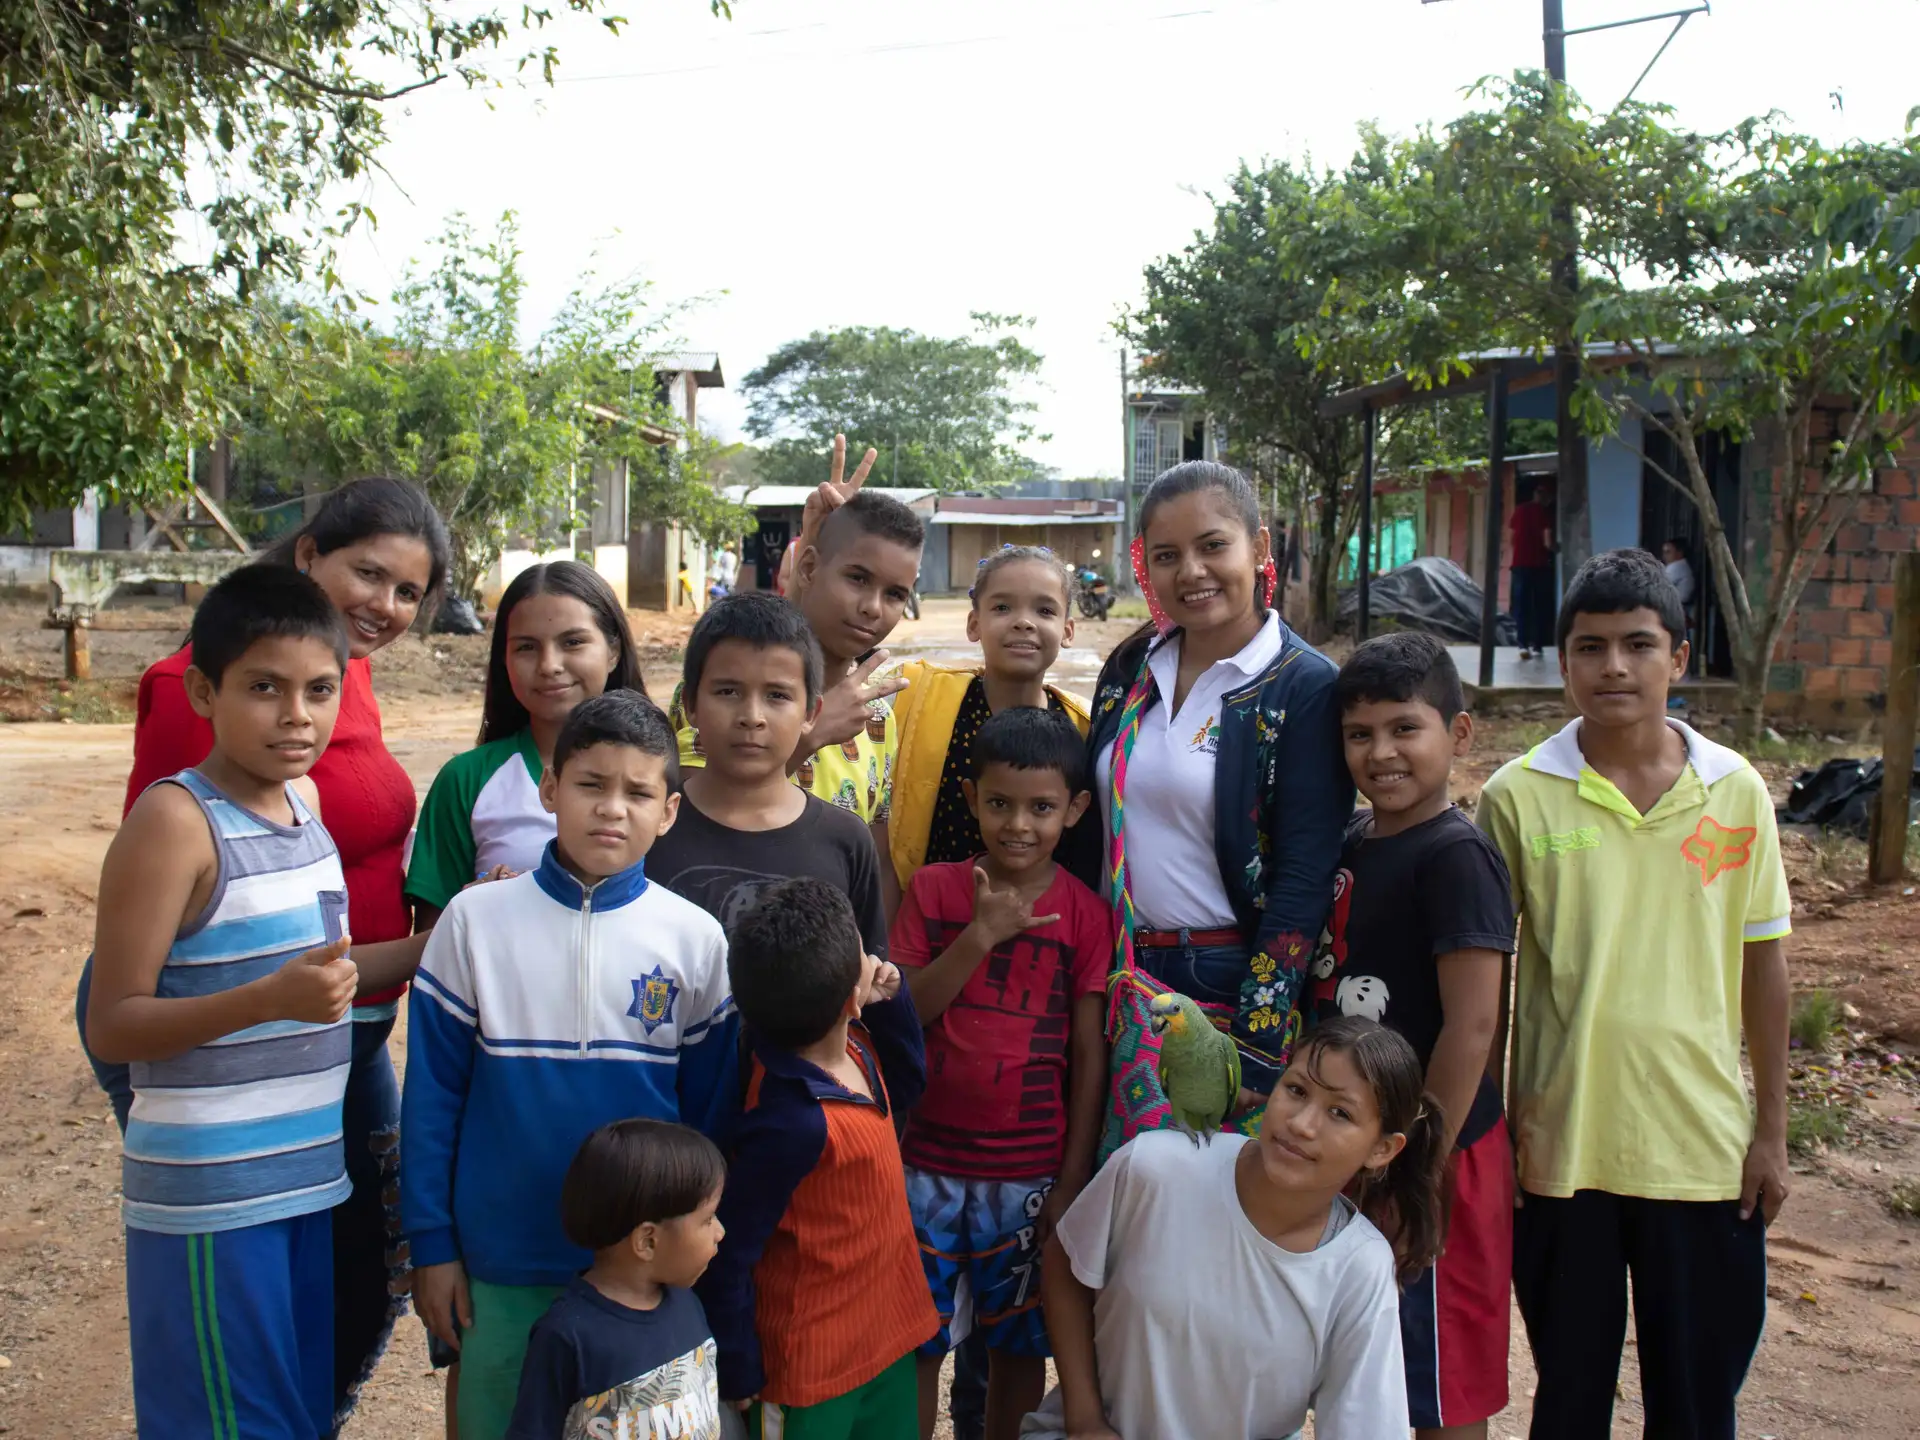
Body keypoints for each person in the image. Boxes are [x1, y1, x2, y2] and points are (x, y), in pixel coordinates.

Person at [74, 475, 450, 1428]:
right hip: (218, 1189)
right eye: (264, 689)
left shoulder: (303, 806)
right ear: (206, 691)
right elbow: (118, 1017)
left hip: (300, 1175)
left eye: (319, 691)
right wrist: (266, 1000)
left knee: (286, 1403)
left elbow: (329, 967)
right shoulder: (179, 814)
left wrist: (453, 935)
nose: (296, 715)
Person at [1475, 549, 1792, 1440]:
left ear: (1678, 658)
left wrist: (1771, 1134)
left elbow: (1765, 966)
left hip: (1702, 1152)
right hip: (1560, 1149)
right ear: (1564, 662)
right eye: (1591, 647)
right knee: (1569, 1402)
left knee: (1696, 1407)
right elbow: (1488, 980)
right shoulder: (1518, 797)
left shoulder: (1736, 792)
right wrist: (1492, 1130)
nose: (1614, 666)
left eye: (1639, 645)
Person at [403, 691, 736, 1440]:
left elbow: (709, 1118)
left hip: (640, 1271)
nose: (611, 809)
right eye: (590, 784)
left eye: (638, 793)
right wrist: (433, 1246)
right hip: (501, 1261)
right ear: (550, 789)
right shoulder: (473, 923)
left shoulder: (695, 940)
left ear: (668, 812)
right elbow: (431, 1100)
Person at [1022, 1016, 1447, 1440]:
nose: (1301, 1123)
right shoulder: (1154, 1167)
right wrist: (1085, 1421)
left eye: (1340, 1112)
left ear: (1382, 1149)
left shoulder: (1360, 1268)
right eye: (1297, 1090)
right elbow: (1065, 1260)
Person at [1083, 460, 1352, 1125]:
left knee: (1204, 1171)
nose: (1192, 572)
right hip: (1117, 971)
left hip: (1226, 983)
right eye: (1167, 556)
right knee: (1127, 1173)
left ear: (1259, 548)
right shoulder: (1133, 666)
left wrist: (1257, 1044)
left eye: (1212, 546)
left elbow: (1304, 874)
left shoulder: (1303, 686)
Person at [1312, 632, 1518, 1440]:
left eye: (1405, 728)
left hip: (1439, 1151)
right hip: (1362, 1144)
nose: (1381, 753)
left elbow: (1473, 1025)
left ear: (1458, 734)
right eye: (1359, 734)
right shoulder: (1352, 843)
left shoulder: (1458, 858)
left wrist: (1419, 1165)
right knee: (1368, 1361)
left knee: (1439, 1377)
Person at [892, 707, 1109, 1440]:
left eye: (1042, 808)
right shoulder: (935, 891)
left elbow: (1089, 1057)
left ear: (1075, 809)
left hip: (1029, 1175)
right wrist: (979, 936)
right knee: (918, 1340)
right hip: (925, 1166)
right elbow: (906, 1014)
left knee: (1018, 1344)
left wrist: (1071, 1180)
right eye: (999, 804)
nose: (1018, 825)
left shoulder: (1086, 915)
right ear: (971, 798)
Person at [697, 878, 938, 1439]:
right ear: (849, 998)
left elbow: (907, 1085)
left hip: (888, 1332)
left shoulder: (857, 1044)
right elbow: (730, 1246)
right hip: (806, 1371)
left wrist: (892, 1002)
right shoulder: (791, 1120)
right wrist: (737, 1365)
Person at [669, 490, 923, 898]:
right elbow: (687, 818)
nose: (873, 607)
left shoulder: (876, 715)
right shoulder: (720, 691)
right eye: (857, 579)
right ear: (808, 568)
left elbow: (876, 861)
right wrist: (812, 734)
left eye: (895, 594)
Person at [407, 560, 648, 929]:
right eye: (526, 647)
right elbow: (431, 944)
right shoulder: (466, 780)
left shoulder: (662, 774)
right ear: (503, 659)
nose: (549, 665)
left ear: (613, 650)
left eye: (572, 642)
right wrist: (473, 911)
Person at [648, 593, 888, 956]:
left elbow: (870, 972)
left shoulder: (846, 840)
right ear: (691, 704)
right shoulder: (651, 829)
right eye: (728, 691)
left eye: (777, 695)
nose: (752, 717)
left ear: (811, 713)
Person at [889, 544, 1093, 904]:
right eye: (1002, 608)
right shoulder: (915, 696)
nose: (1023, 622)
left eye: (1044, 610)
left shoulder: (1084, 727)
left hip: (1043, 925)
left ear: (1067, 630)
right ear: (974, 624)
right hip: (929, 919)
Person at [506, 1120, 727, 1440]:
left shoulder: (687, 1303)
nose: (720, 1232)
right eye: (707, 1219)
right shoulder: (567, 1337)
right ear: (647, 1241)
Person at [1508, 480, 1555, 661]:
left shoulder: (1519, 510)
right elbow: (1547, 542)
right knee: (1539, 606)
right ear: (1546, 497)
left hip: (1519, 565)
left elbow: (1511, 538)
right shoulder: (1543, 513)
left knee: (1521, 606)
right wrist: (1557, 549)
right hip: (1538, 566)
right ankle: (1537, 645)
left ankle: (1522, 645)